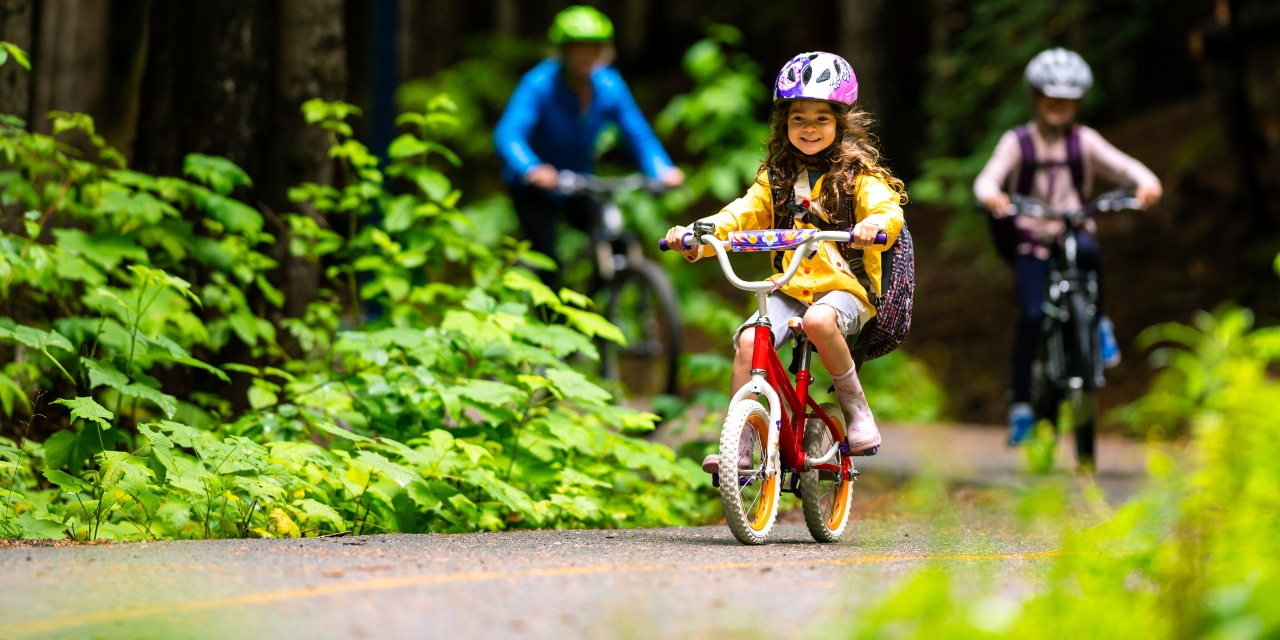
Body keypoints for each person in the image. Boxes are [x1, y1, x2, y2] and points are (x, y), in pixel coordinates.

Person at [664, 52, 905, 473]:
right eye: (798, 119)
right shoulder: (774, 179)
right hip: (791, 286)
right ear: (783, 125)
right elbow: (737, 215)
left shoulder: (860, 177)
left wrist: (874, 225)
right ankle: (739, 442)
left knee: (819, 322)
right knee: (747, 340)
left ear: (840, 124)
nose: (809, 129)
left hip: (844, 289)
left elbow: (888, 211)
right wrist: (697, 235)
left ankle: (855, 408)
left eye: (821, 119)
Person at [974, 48, 1162, 446]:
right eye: (1051, 99)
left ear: (1078, 102)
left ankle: (1099, 322)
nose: (1058, 107)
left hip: (1073, 233)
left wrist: (1146, 184)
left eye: (1067, 100)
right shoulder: (1017, 142)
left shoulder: (1085, 141)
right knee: (1031, 315)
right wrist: (994, 197)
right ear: (1036, 98)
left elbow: (1125, 167)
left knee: (1090, 253)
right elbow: (987, 180)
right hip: (1031, 239)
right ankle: (1022, 404)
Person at [494, 5, 684, 287]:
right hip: (534, 188)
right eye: (576, 48)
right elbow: (509, 134)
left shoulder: (609, 86)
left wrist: (662, 169)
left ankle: (597, 307)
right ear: (563, 51)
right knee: (548, 263)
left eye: (591, 48)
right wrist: (531, 168)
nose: (584, 55)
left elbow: (638, 133)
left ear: (602, 51)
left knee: (614, 240)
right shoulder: (539, 84)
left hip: (579, 183)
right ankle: (553, 323)